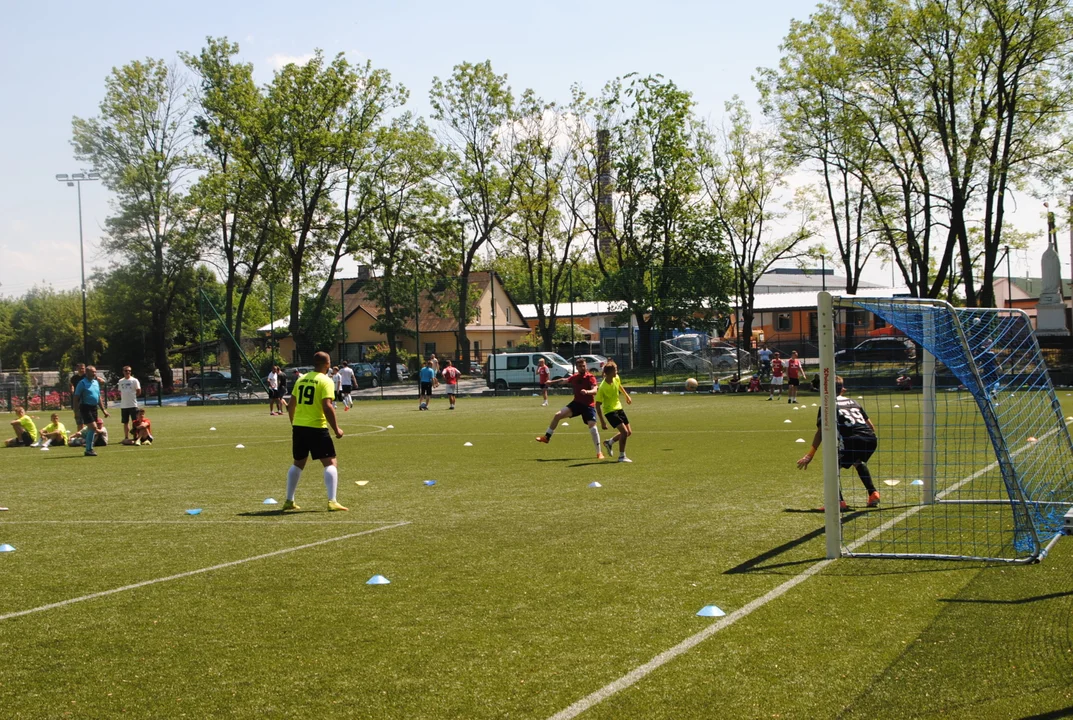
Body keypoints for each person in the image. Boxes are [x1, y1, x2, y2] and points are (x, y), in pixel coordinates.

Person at [796, 376, 881, 511]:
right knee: (858, 461)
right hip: (871, 439)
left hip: (852, 440)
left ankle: (838, 502)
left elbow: (820, 432)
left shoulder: (827, 406)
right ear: (842, 389)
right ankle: (873, 493)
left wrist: (810, 454)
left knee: (831, 467)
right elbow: (871, 426)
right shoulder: (853, 402)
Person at [282, 351, 347, 512]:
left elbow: (291, 405)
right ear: (327, 364)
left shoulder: (301, 379)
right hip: (317, 427)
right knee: (330, 462)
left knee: (298, 462)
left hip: (299, 427)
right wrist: (336, 429)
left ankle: (289, 500)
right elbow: (327, 406)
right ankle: (332, 501)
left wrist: (294, 423)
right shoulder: (326, 381)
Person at [536, 357, 604, 460]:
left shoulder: (590, 377)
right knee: (557, 415)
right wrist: (552, 382)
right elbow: (565, 380)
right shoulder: (575, 377)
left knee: (593, 428)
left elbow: (595, 390)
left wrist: (587, 392)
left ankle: (599, 452)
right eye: (580, 366)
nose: (582, 367)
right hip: (576, 404)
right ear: (577, 367)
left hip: (588, 406)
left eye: (584, 366)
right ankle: (547, 437)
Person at [595, 360, 634, 462]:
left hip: (618, 408)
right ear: (610, 372)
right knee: (624, 432)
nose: (617, 371)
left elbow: (619, 385)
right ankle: (622, 456)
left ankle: (609, 442)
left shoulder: (616, 378)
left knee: (629, 432)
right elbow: (597, 405)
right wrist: (602, 421)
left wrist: (626, 396)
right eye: (615, 370)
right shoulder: (602, 387)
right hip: (610, 411)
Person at [73, 365, 109, 457]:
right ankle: (89, 449)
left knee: (92, 429)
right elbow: (76, 397)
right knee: (93, 427)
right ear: (87, 373)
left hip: (94, 408)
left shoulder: (96, 382)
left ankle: (87, 446)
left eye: (95, 372)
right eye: (92, 372)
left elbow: (98, 397)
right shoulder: (82, 383)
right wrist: (76, 411)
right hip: (85, 407)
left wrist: (103, 410)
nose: (94, 374)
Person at [116, 365, 142, 440]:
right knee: (125, 422)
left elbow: (139, 391)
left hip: (133, 404)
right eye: (126, 371)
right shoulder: (121, 381)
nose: (128, 372)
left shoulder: (134, 380)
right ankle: (126, 437)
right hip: (124, 405)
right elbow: (120, 391)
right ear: (123, 372)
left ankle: (136, 436)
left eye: (129, 371)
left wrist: (133, 397)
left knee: (135, 421)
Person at [70, 362, 87, 432]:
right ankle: (80, 435)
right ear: (77, 369)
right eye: (80, 368)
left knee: (87, 420)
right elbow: (71, 384)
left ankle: (84, 435)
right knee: (79, 420)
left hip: (86, 400)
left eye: (83, 368)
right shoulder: (74, 378)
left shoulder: (87, 377)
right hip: (77, 401)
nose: (81, 370)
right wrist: (72, 390)